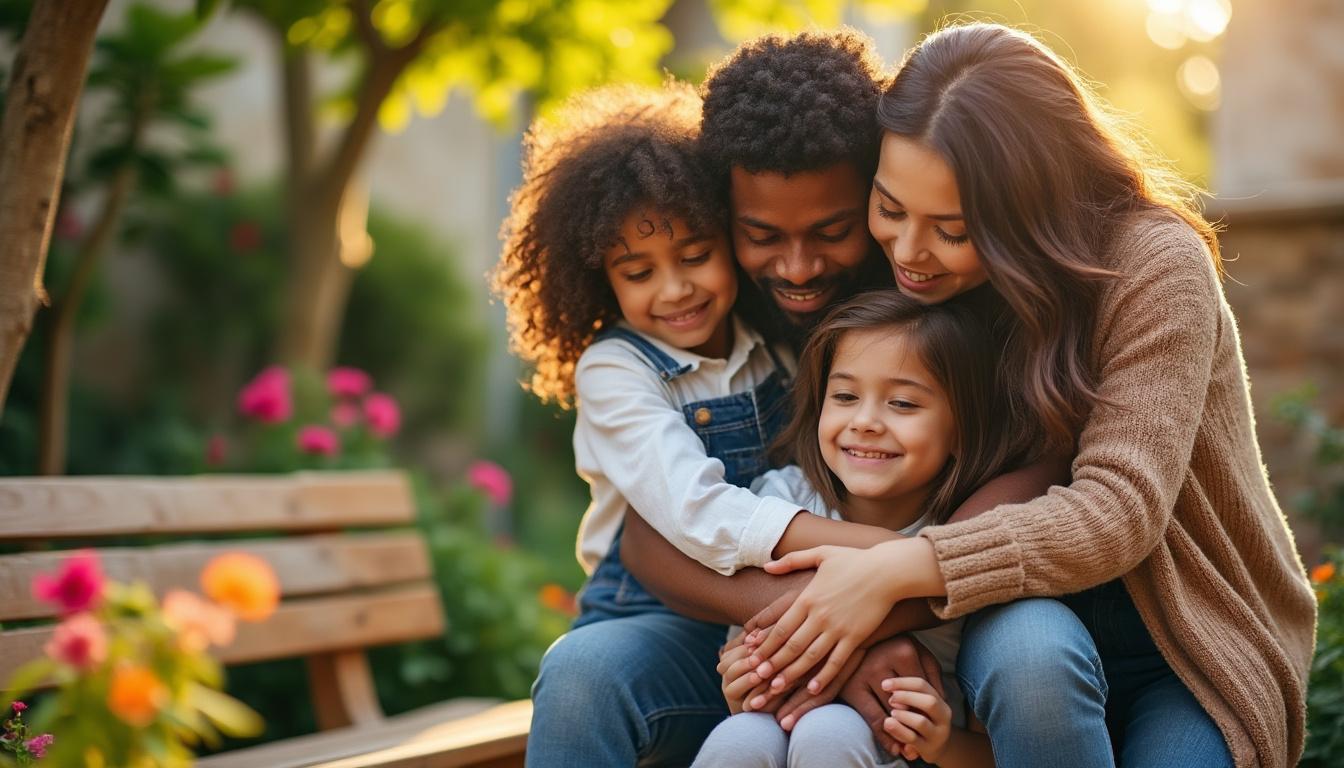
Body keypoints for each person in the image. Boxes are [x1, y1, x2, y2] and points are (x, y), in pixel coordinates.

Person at [740, 23, 1316, 768]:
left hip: (1188, 646)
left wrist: (896, 569)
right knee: (1033, 658)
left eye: (953, 229)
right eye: (890, 208)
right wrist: (807, 637)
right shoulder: (904, 275)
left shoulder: (1152, 266)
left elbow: (1119, 512)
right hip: (1010, 620)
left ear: (1029, 207)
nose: (910, 252)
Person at [494, 79, 926, 766]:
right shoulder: (617, 370)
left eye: (695, 255)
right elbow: (693, 512)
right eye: (638, 272)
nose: (676, 289)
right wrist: (886, 552)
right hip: (661, 622)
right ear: (600, 279)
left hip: (796, 610)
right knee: (580, 673)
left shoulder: (778, 346)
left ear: (724, 236)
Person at [693, 291, 1004, 768]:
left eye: (902, 403)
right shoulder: (780, 502)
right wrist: (743, 688)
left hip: (910, 755)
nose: (864, 422)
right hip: (778, 735)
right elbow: (755, 676)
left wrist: (941, 744)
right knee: (742, 736)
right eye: (844, 397)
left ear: (963, 428)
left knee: (828, 730)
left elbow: (999, 755)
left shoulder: (969, 539)